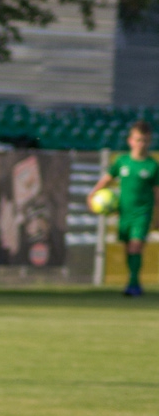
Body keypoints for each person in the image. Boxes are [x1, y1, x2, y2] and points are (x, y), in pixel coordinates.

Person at [87, 120, 157, 296]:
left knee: (135, 245)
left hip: (142, 212)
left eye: (145, 140)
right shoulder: (122, 162)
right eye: (138, 139)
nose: (141, 144)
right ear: (130, 140)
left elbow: (157, 193)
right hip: (124, 212)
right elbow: (106, 180)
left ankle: (133, 285)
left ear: (149, 142)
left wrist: (157, 216)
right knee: (129, 248)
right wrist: (92, 195)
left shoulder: (152, 165)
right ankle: (133, 281)